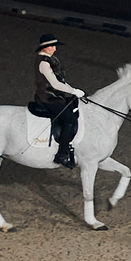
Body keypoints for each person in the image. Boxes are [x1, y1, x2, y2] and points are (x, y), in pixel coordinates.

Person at [30, 35, 86, 168]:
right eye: (52, 46)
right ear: (45, 48)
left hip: (56, 96)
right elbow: (55, 84)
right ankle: (61, 154)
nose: (55, 49)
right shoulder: (43, 63)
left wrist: (73, 90)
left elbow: (61, 81)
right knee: (70, 120)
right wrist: (73, 92)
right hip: (48, 98)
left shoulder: (51, 60)